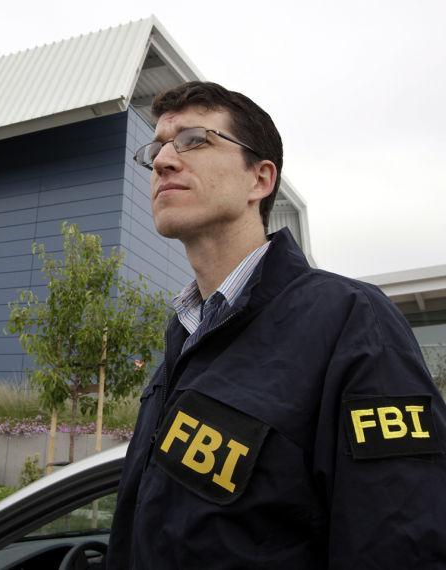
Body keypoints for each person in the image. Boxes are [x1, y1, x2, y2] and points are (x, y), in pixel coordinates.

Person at [106, 81, 446, 569]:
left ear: (260, 180)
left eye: (194, 140)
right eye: (157, 148)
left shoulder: (348, 320)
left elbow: (398, 542)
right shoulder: (185, 332)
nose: (162, 161)